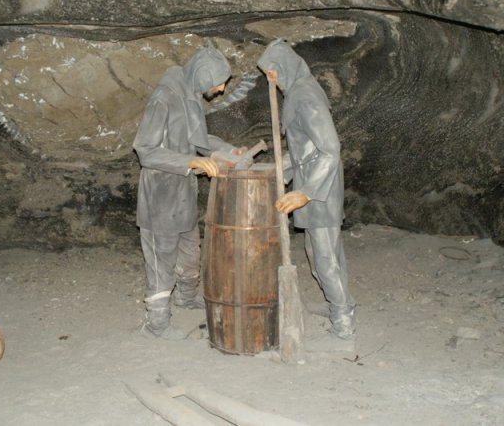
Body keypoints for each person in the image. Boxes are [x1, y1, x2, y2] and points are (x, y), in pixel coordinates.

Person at [133, 44, 245, 340]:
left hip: (183, 192)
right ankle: (157, 324)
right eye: (218, 82)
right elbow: (145, 150)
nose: (220, 89)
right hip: (160, 196)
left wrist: (227, 150)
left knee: (189, 252)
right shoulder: (165, 96)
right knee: (162, 260)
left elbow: (198, 138)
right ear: (202, 74)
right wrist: (191, 162)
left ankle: (186, 297)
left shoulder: (189, 95)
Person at [257, 39, 356, 351]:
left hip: (320, 191)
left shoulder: (306, 96)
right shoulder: (299, 92)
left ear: (283, 67)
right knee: (321, 256)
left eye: (272, 72)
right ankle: (339, 305)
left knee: (326, 259)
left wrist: (306, 192)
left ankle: (343, 323)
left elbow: (330, 149)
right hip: (313, 183)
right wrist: (272, 170)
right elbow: (304, 152)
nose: (271, 79)